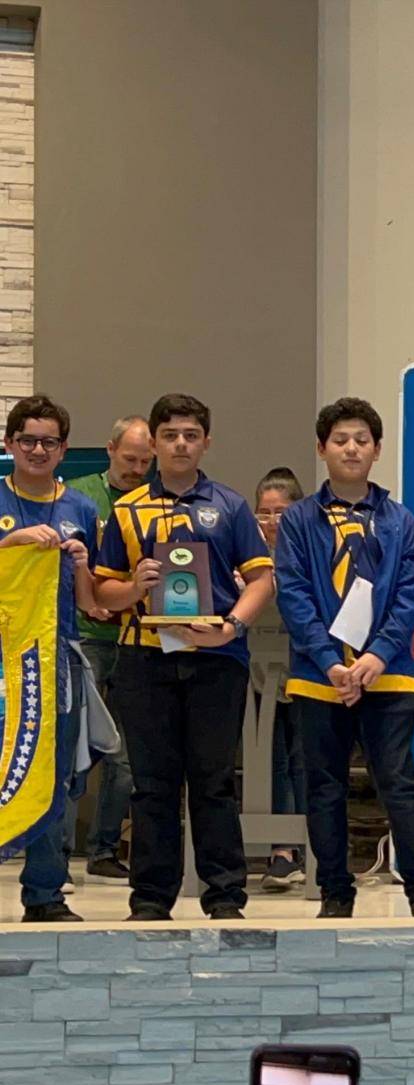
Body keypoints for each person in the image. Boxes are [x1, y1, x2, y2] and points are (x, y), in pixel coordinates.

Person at [93, 393, 274, 921]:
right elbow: (103, 596)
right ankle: (150, 898)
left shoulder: (232, 505)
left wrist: (232, 627)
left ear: (206, 442)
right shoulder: (126, 510)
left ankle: (224, 897)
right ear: (154, 441)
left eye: (191, 435)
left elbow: (262, 579)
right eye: (170, 434)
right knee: (152, 786)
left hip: (217, 660)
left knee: (214, 782)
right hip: (143, 660)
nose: (180, 444)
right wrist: (134, 587)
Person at [274, 396, 414, 918]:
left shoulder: (399, 522)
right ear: (322, 448)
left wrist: (377, 657)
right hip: (319, 676)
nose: (351, 448)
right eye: (341, 440)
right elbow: (294, 594)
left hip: (387, 677)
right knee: (323, 786)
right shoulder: (300, 521)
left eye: (362, 440)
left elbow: (411, 594)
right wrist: (330, 661)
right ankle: (335, 891)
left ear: (377, 450)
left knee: (400, 782)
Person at [0, 394, 101, 922]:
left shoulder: (81, 509)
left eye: (49, 442)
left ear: (63, 449)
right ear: (9, 444)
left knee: (53, 776)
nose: (37, 450)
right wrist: (11, 544)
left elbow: (90, 604)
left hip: (56, 662)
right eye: (27, 440)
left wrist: (82, 563)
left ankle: (45, 892)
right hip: (2, 664)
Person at [69, 414, 153, 885]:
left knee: (125, 758)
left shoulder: (154, 504)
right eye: (129, 458)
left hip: (133, 641)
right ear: (109, 449)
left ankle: (103, 849)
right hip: (85, 638)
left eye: (145, 461)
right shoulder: (80, 495)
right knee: (72, 748)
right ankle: (58, 850)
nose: (137, 467)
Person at [252, 466, 307, 890]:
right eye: (263, 513)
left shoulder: (310, 554)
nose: (271, 523)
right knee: (270, 761)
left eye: (281, 514)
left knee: (304, 759)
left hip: (307, 671)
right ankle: (280, 853)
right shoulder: (246, 559)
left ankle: (311, 848)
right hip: (257, 674)